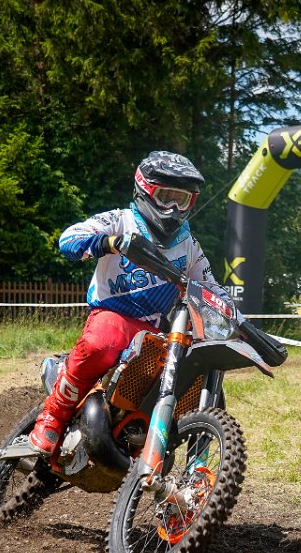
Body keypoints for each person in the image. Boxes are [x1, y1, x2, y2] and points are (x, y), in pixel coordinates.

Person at [29, 151, 216, 456]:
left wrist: (231, 315)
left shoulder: (189, 245)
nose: (172, 208)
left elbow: (210, 287)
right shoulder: (120, 221)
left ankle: (162, 453)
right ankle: (53, 415)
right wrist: (108, 242)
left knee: (188, 379)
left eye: (180, 200)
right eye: (166, 197)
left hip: (157, 334)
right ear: (145, 191)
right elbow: (69, 239)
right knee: (103, 341)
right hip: (112, 315)